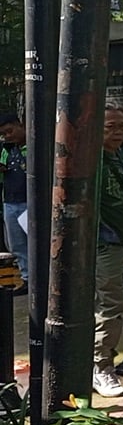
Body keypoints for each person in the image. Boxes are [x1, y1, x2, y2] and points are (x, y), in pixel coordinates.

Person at [92, 103, 123, 397]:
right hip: (96, 242)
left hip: (115, 239)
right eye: (110, 127)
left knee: (110, 303)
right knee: (108, 304)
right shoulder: (88, 159)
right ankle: (100, 366)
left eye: (121, 126)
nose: (117, 132)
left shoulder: (119, 156)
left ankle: (101, 364)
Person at [0, 115, 28, 293]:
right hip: (10, 201)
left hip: (29, 202)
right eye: (3, 134)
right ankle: (27, 278)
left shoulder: (33, 146)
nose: (8, 136)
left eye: (10, 131)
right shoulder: (7, 150)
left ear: (21, 126)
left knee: (36, 242)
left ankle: (41, 278)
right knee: (17, 244)